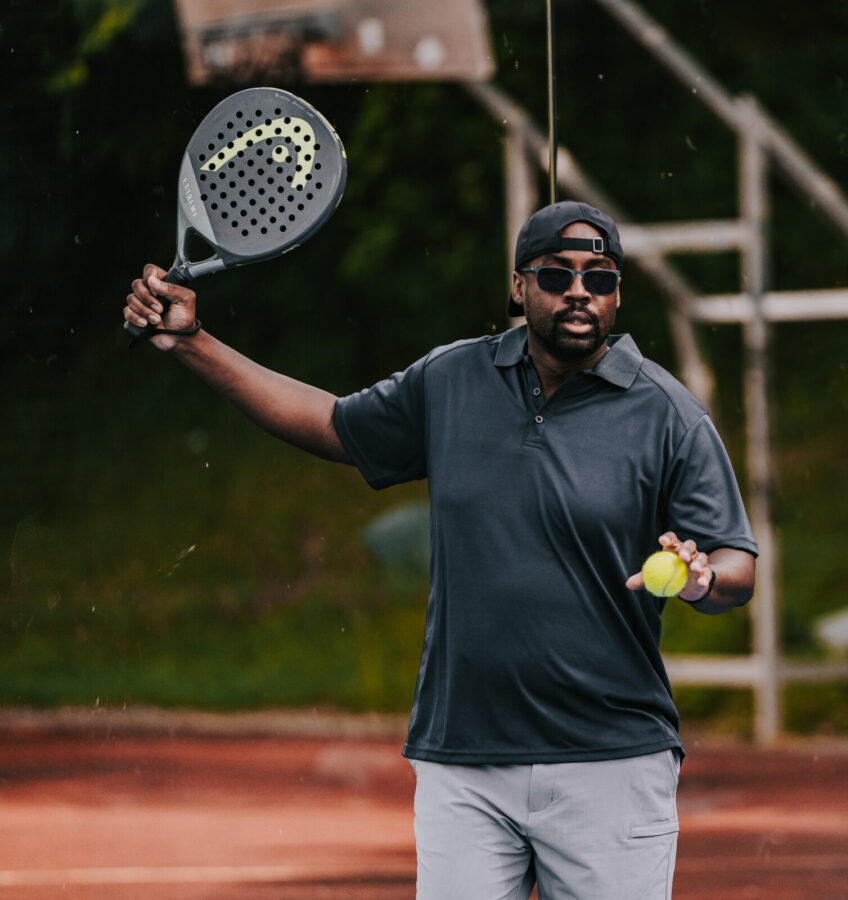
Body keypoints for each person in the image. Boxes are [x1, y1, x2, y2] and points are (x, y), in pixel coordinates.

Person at [122, 199, 758, 900]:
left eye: (599, 278)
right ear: (519, 286)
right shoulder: (451, 380)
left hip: (611, 761)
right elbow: (331, 423)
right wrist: (192, 342)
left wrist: (701, 578)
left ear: (617, 293)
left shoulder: (667, 412)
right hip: (464, 760)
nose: (580, 291)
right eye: (557, 274)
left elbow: (736, 561)